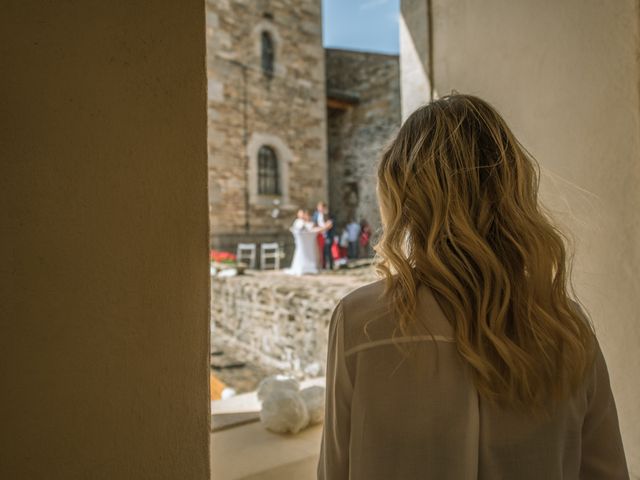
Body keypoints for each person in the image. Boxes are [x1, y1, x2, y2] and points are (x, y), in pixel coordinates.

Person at [318, 94, 629, 479]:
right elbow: (606, 471)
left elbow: (335, 470)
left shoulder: (359, 322)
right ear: (512, 188)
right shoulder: (565, 326)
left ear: (402, 195)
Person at [313, 202, 335, 270]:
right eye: (319, 207)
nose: (320, 209)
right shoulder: (316, 215)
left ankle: (331, 266)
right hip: (319, 235)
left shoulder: (328, 214)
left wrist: (324, 228)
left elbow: (330, 224)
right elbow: (314, 223)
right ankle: (324, 266)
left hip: (328, 235)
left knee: (328, 250)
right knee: (322, 251)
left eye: (321, 207)